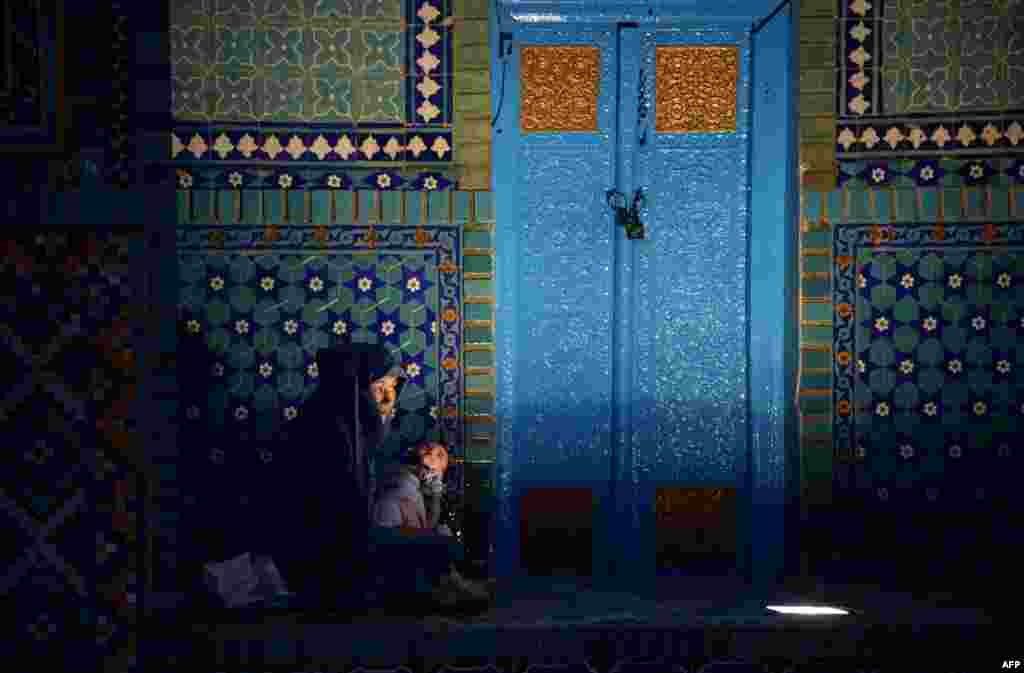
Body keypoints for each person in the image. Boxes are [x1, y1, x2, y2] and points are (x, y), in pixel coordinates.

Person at [270, 338, 407, 610]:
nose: (386, 394)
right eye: (379, 386)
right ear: (357, 384)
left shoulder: (345, 413)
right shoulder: (327, 423)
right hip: (318, 546)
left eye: (387, 386)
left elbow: (371, 445)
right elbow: (337, 499)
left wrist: (382, 412)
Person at [372, 441, 492, 609]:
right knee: (444, 539)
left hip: (397, 552)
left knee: (443, 534)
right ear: (425, 469)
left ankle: (451, 585)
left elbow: (426, 527)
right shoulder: (402, 488)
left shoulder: (409, 487)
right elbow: (405, 533)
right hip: (392, 563)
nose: (438, 480)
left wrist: (435, 498)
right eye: (437, 473)